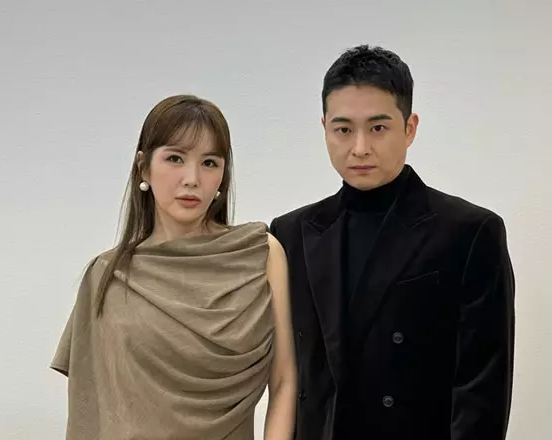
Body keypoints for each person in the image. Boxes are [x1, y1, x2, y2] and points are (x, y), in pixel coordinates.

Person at [269, 45, 515, 439]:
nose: (360, 147)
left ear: (410, 128)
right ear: (324, 128)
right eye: (343, 129)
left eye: (378, 128)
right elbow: (288, 377)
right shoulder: (290, 232)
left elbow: (481, 391)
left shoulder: (469, 232)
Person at [51, 95, 296, 440]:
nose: (192, 179)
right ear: (143, 167)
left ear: (223, 174)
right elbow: (93, 408)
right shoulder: (106, 274)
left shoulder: (260, 254)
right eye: (175, 158)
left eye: (209, 163)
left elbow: (284, 381)